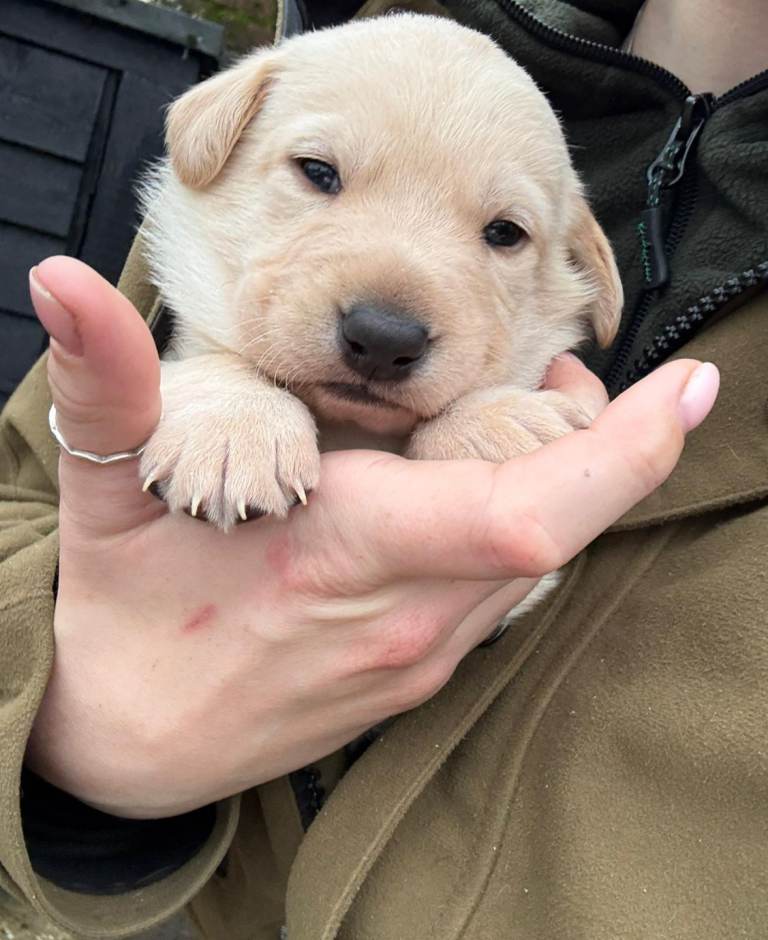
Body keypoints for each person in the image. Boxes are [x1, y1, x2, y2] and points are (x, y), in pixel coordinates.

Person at [0, 0, 765, 938]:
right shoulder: (340, 48)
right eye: (320, 174)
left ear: (578, 274)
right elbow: (18, 496)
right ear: (217, 141)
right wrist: (66, 748)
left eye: (502, 233)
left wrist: (478, 429)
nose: (387, 321)